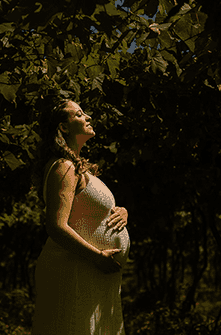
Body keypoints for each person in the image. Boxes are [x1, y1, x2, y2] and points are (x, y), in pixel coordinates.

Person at [31, 95, 131, 335]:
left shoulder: (76, 167)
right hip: (76, 271)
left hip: (92, 274)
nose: (87, 117)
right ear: (63, 127)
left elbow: (92, 211)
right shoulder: (63, 167)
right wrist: (97, 256)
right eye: (78, 114)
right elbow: (56, 226)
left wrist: (122, 212)